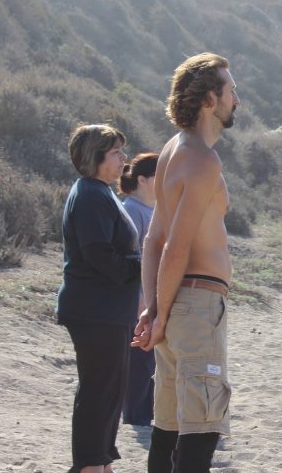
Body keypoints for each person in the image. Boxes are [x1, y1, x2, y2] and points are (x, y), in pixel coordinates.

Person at [132, 53, 239, 473]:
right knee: (202, 425)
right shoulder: (201, 159)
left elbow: (153, 239)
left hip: (177, 302)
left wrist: (154, 308)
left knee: (170, 426)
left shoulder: (171, 151)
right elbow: (173, 244)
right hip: (196, 306)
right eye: (231, 90)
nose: (237, 100)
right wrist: (157, 314)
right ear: (210, 99)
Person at [57, 124, 141, 473]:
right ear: (96, 157)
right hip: (95, 309)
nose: (124, 158)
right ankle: (90, 465)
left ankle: (101, 461)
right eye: (117, 152)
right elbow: (96, 253)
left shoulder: (99, 191)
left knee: (110, 389)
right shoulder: (90, 193)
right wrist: (138, 268)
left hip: (107, 309)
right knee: (99, 389)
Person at [119, 152, 159, 427]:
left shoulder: (152, 210)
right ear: (142, 180)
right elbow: (132, 261)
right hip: (138, 299)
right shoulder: (132, 210)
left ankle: (144, 412)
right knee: (140, 359)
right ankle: (135, 415)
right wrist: (142, 300)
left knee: (150, 359)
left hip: (152, 298)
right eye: (160, 176)